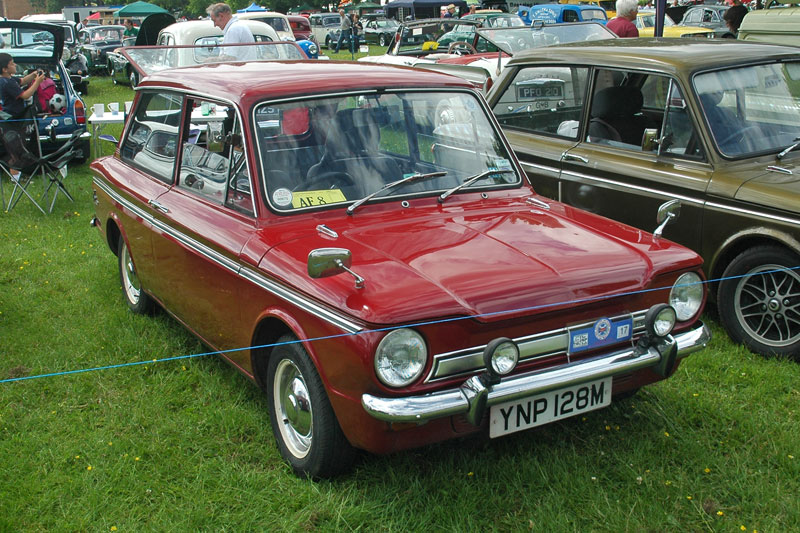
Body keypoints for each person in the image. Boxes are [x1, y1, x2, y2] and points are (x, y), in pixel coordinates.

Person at [0, 53, 45, 119]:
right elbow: (25, 95)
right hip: (13, 116)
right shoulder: (6, 83)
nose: (15, 65)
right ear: (5, 69)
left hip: (15, 114)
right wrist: (37, 82)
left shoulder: (9, 78)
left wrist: (33, 74)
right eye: (12, 64)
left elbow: (23, 81)